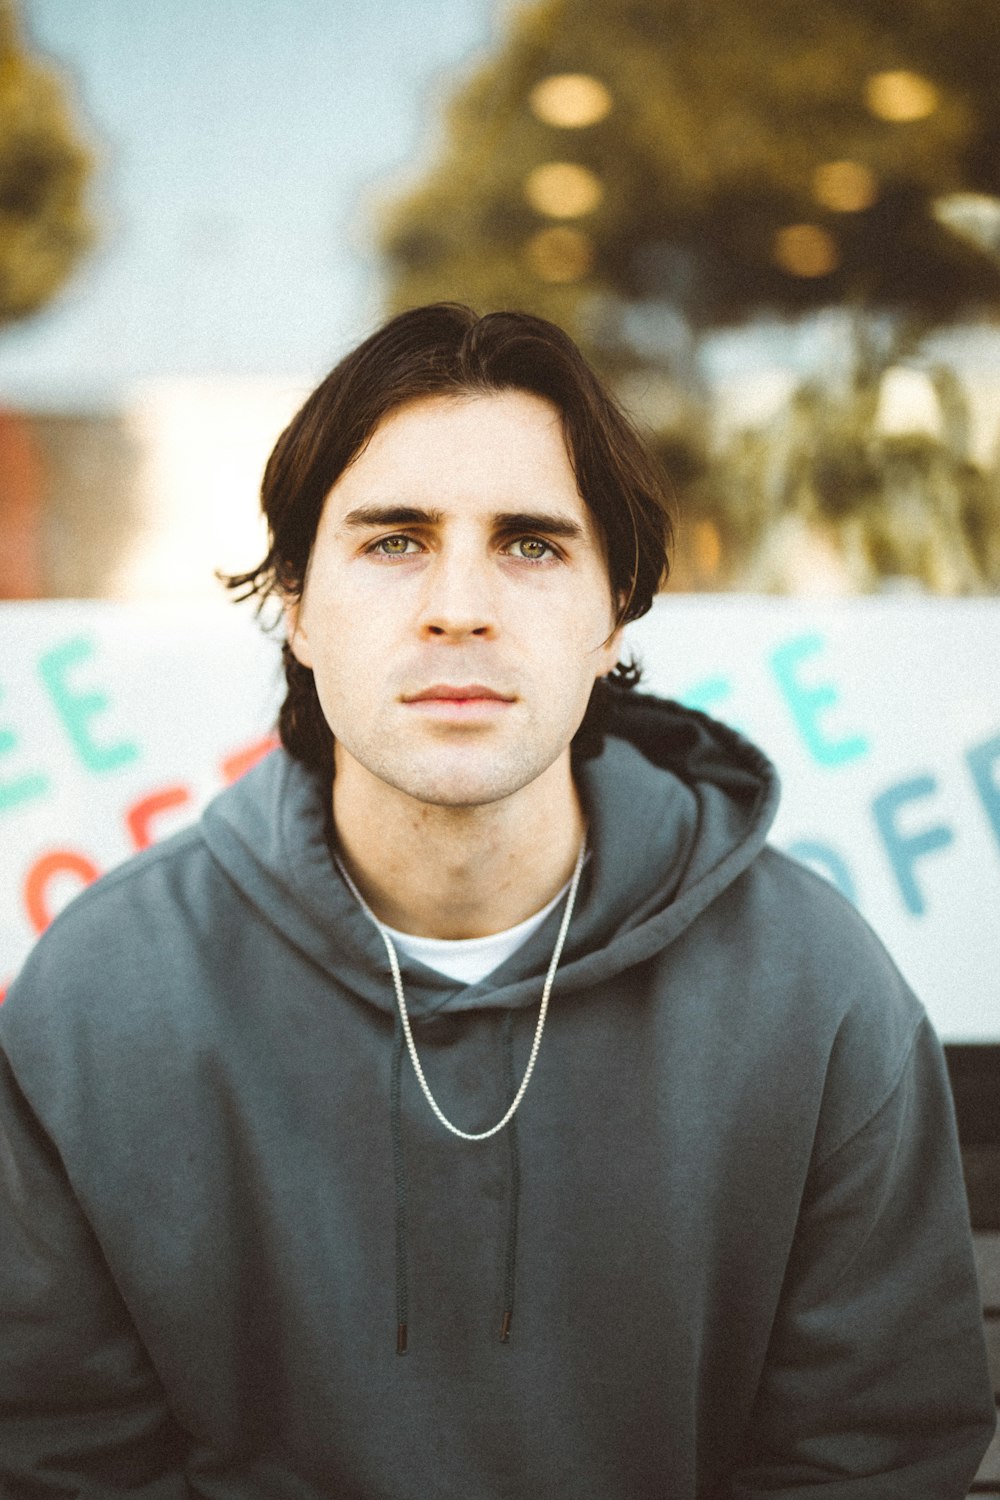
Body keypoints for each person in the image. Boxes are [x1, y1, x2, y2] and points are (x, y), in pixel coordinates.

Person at [0, 303, 994, 1499]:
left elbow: (869, 1456)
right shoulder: (104, 997)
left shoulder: (812, 988)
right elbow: (59, 1459)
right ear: (297, 607)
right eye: (393, 541)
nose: (458, 604)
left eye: (531, 543)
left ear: (613, 614)